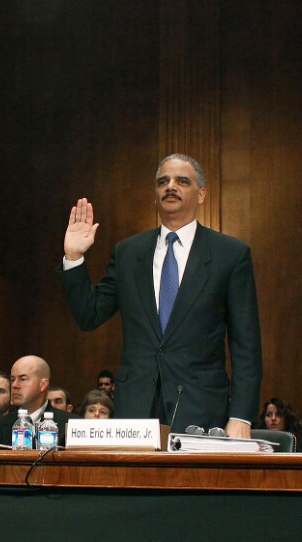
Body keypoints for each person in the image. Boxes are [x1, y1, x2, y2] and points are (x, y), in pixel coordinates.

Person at [58, 154, 263, 437]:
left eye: (182, 181)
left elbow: (246, 344)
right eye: (162, 181)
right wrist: (73, 257)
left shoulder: (230, 254)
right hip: (136, 406)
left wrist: (241, 415)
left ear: (201, 194)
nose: (170, 186)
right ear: (155, 193)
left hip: (200, 404)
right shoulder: (129, 253)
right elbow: (89, 315)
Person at [0, 355, 75, 447]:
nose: (14, 385)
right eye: (12, 379)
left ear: (43, 385)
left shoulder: (70, 424)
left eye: (23, 379)